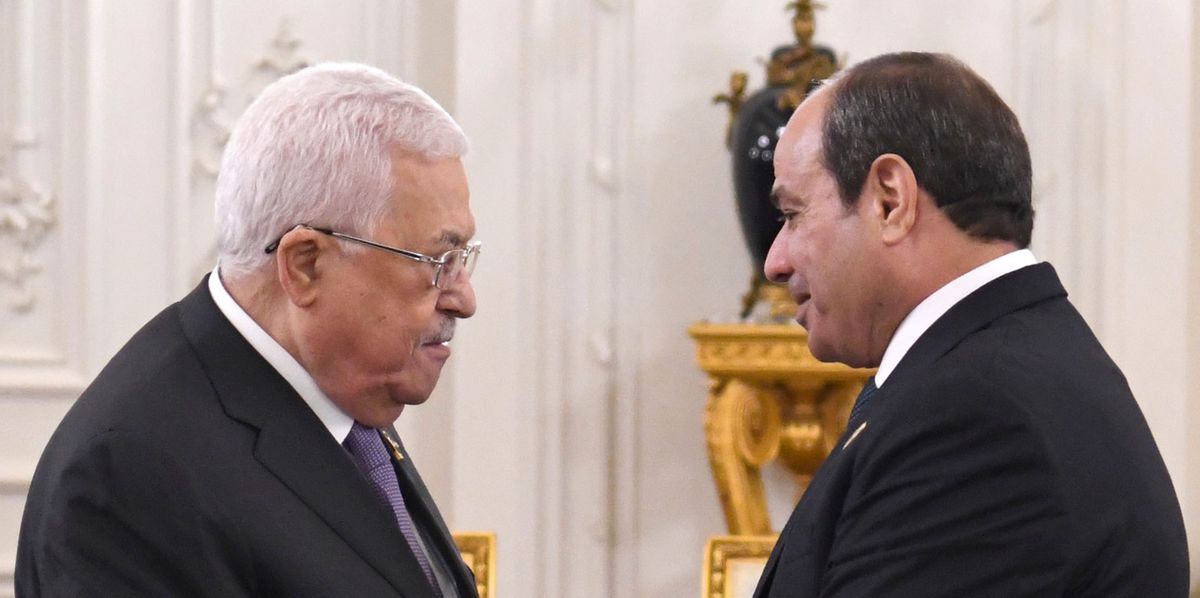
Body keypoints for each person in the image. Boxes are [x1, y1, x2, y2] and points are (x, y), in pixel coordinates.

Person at [16, 63, 481, 597]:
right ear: (306, 264)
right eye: (437, 260)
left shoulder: (335, 383)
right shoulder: (131, 474)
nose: (464, 298)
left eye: (464, 256)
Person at [754, 52, 1189, 597]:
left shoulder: (973, 415)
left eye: (793, 215)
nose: (775, 261)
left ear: (891, 200)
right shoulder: (998, 370)